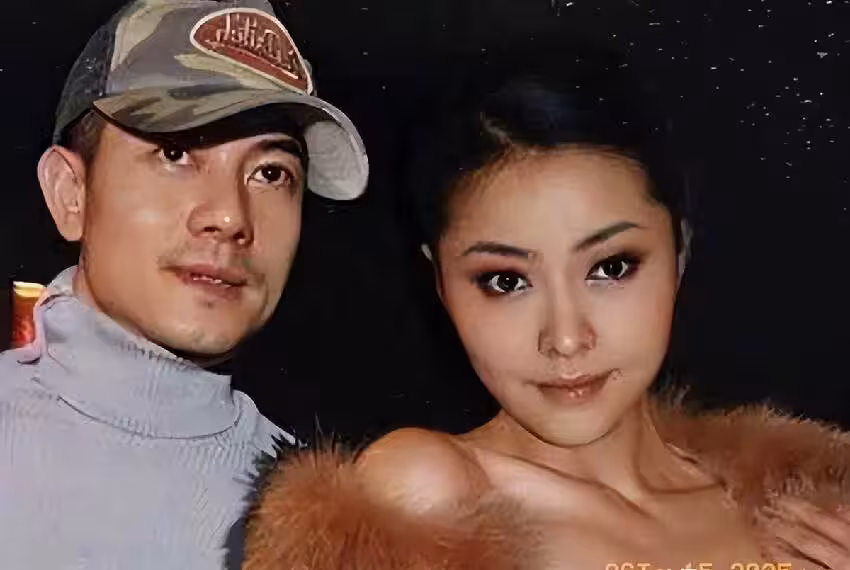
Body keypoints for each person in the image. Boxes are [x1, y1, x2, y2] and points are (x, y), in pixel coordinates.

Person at [239, 45, 850, 569]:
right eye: (505, 281)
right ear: (441, 283)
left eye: (611, 268)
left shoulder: (804, 503)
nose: (566, 338)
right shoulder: (425, 496)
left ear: (679, 253)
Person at [0, 0, 367, 567]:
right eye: (175, 153)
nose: (231, 216)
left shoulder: (330, 521)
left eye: (271, 173)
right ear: (71, 193)